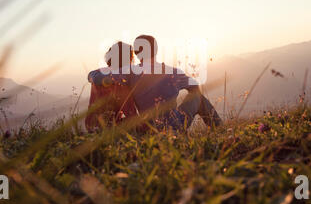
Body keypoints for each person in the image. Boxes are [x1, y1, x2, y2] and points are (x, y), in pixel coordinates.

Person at [88, 35, 222, 131]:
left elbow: (95, 76)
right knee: (199, 98)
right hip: (175, 126)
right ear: (156, 51)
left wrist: (106, 80)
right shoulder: (173, 71)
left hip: (148, 128)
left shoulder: (131, 72)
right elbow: (195, 87)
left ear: (137, 53)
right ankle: (219, 129)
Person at [85, 41, 138, 132]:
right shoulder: (122, 80)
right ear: (129, 58)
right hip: (109, 126)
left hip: (90, 124)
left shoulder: (98, 72)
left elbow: (91, 76)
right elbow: (130, 112)